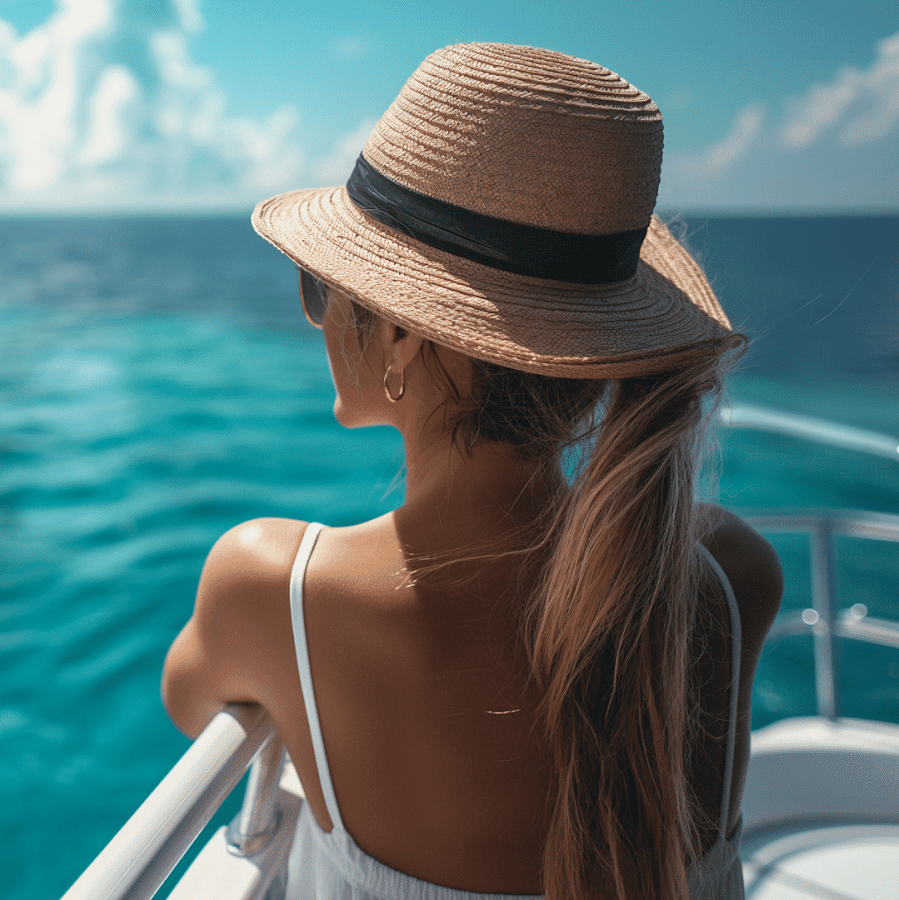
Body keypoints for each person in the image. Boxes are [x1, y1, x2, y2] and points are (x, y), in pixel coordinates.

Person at [160, 43, 783, 900]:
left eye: (320, 288)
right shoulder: (732, 577)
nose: (315, 319)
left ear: (403, 335)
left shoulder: (275, 590)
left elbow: (189, 703)